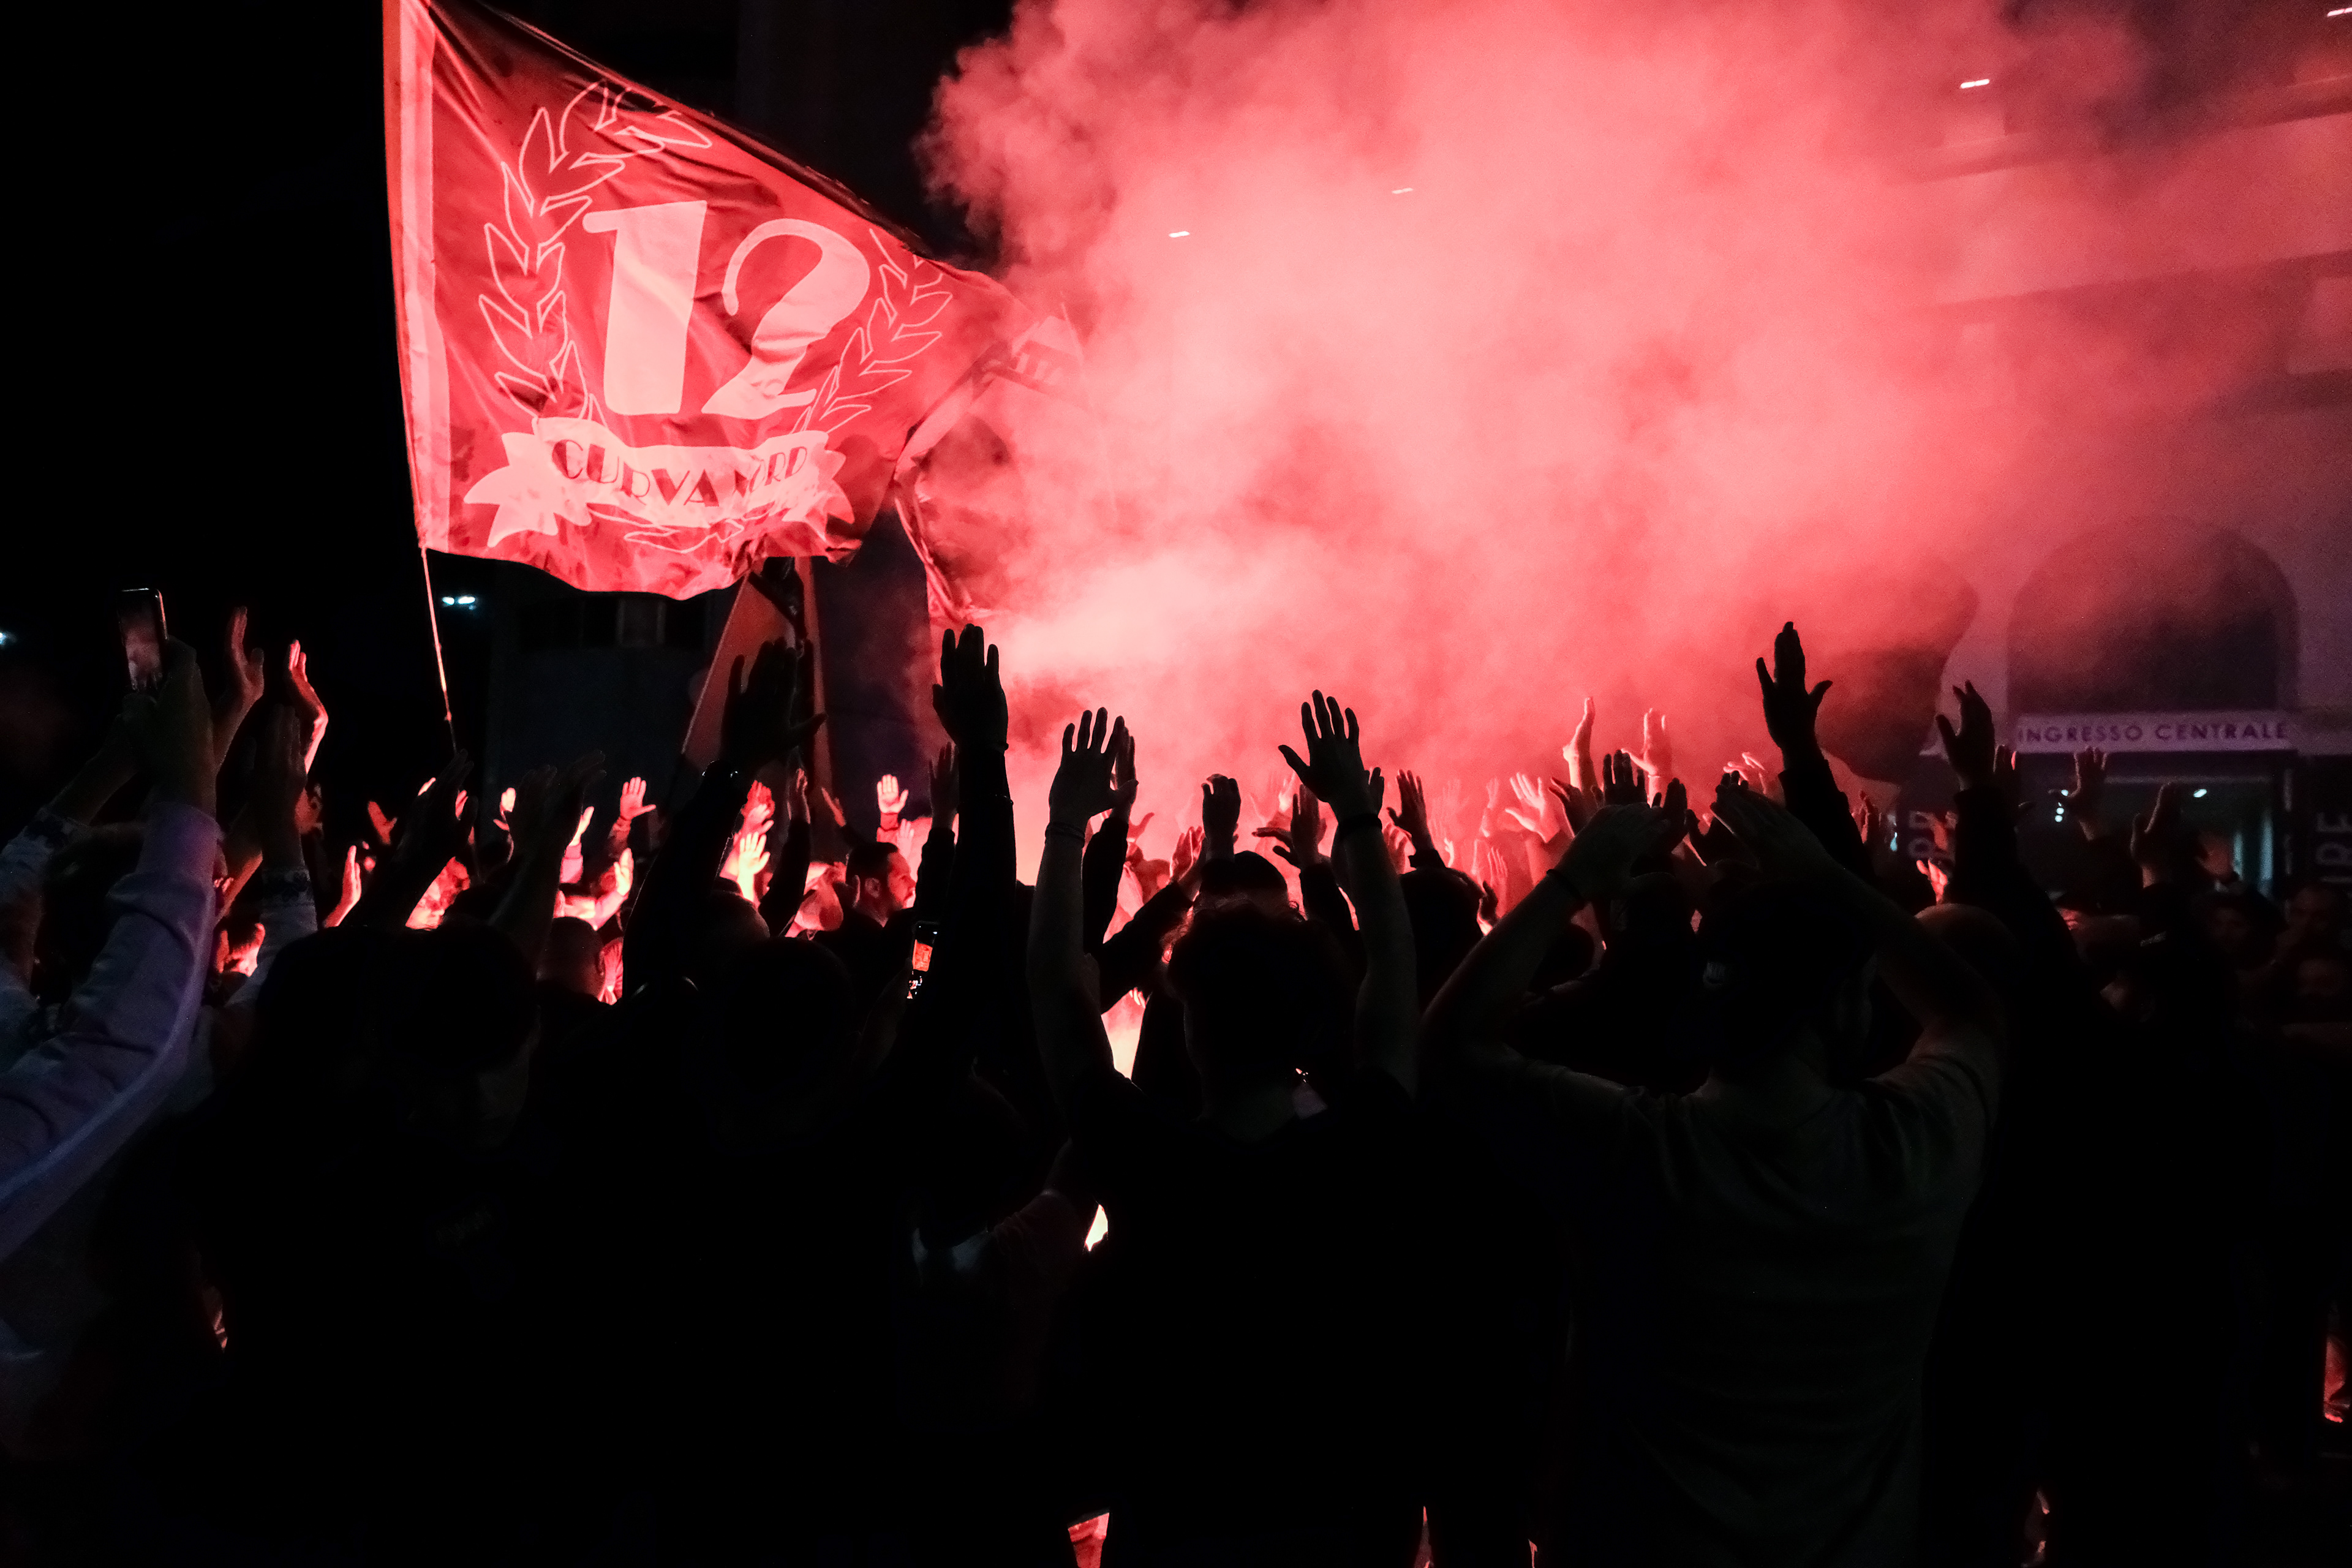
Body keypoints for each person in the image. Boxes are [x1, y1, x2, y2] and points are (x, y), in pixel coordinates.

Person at [1422, 777, 2002, 1565]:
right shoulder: (1915, 1145)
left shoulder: (1635, 1151)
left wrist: (1572, 879)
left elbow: (1450, 1043)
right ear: (1843, 1011)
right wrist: (1824, 873)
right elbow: (1969, 1012)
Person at [1028, 693, 1421, 1566]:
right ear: (1320, 1023)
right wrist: (1357, 811)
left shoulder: (1148, 1161)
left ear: (1189, 1028)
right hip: (1341, 1527)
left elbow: (1058, 989)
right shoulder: (1360, 1149)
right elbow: (1395, 977)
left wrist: (1065, 824)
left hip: (1175, 1530)